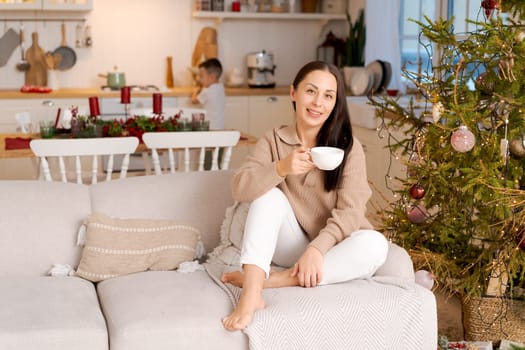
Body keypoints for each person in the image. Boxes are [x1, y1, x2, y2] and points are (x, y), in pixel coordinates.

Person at [220, 61, 389, 332]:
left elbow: (351, 211)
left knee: (376, 244)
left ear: (335, 103)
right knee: (268, 198)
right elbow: (239, 188)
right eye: (311, 91)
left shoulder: (348, 147)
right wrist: (281, 168)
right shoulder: (273, 140)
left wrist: (316, 249)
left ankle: (278, 280)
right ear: (293, 93)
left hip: (329, 251)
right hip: (288, 244)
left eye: (328, 96)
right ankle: (252, 294)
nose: (318, 102)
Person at [191, 58, 225, 130]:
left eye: (201, 76)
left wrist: (195, 91)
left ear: (212, 77)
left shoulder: (207, 91)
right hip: (220, 127)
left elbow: (194, 100)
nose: (200, 79)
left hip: (210, 127)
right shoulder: (221, 87)